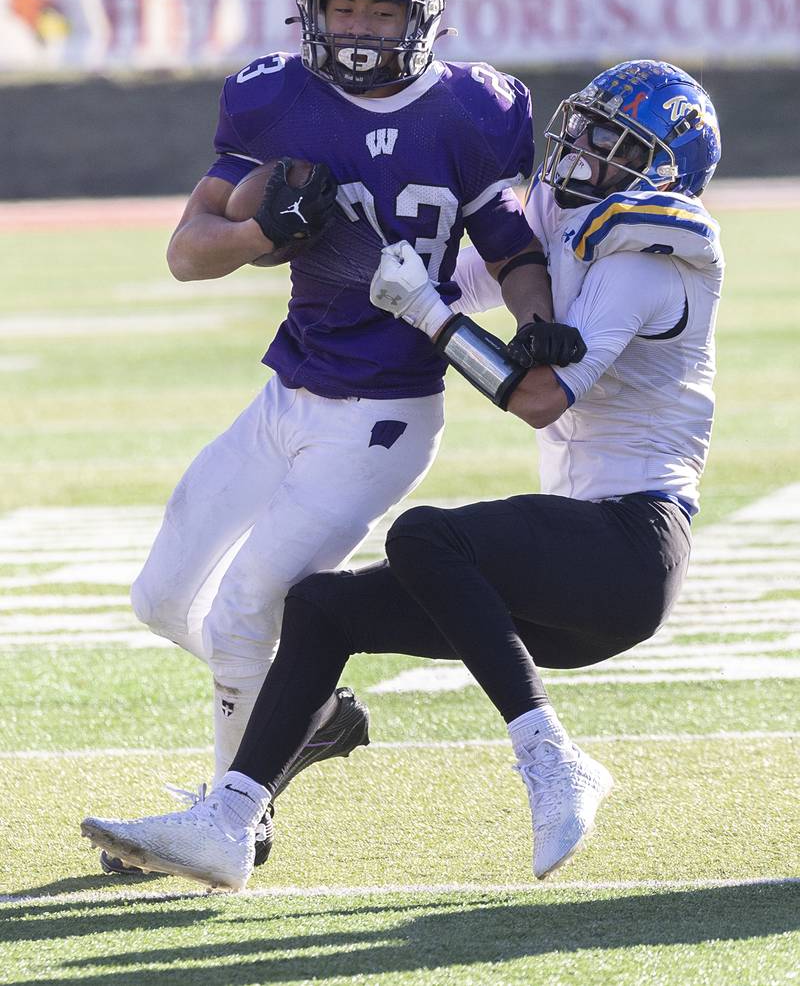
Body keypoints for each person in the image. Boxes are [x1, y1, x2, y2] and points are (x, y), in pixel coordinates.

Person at [81, 59, 724, 891]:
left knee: (425, 535)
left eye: (611, 141)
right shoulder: (565, 219)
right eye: (585, 123)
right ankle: (233, 823)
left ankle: (553, 759)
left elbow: (534, 398)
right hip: (570, 564)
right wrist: (343, 250)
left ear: (662, 166)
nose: (579, 146)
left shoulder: (646, 258)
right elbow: (452, 276)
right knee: (319, 608)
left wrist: (425, 311)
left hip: (628, 551)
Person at [88, 0, 583, 877]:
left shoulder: (474, 111)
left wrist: (534, 316)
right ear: (309, 13)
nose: (356, 25)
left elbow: (513, 248)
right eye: (340, 4)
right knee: (159, 599)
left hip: (384, 413)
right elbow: (189, 252)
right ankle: (304, 716)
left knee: (240, 614)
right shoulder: (274, 101)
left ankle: (236, 822)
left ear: (425, 19)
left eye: (378, 7)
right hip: (288, 391)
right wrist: (258, 229)